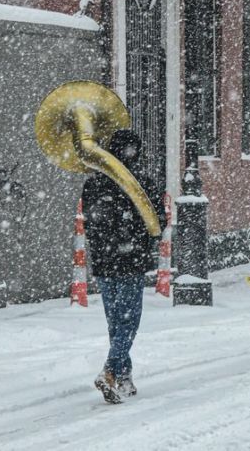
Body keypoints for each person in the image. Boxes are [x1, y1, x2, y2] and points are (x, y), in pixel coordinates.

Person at [82, 129, 165, 404]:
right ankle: (109, 371)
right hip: (131, 261)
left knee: (115, 321)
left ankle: (124, 375)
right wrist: (136, 238)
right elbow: (157, 223)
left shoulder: (94, 183)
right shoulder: (141, 183)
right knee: (128, 322)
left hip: (105, 262)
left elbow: (91, 224)